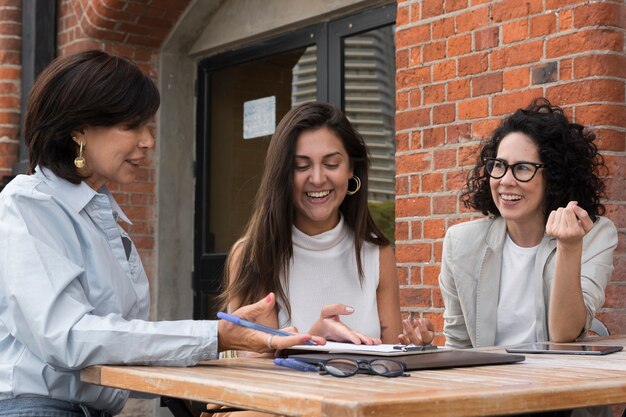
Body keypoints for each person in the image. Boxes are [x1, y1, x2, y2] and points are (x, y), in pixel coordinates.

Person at [0, 50, 321, 417]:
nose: (148, 140)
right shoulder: (28, 204)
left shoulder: (99, 216)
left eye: (147, 125)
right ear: (78, 130)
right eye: (131, 126)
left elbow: (119, 339)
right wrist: (216, 336)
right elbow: (68, 336)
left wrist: (231, 335)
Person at [439, 98, 617, 416]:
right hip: (489, 402)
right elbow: (458, 348)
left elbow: (565, 333)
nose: (506, 180)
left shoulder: (593, 234)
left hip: (562, 402)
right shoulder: (461, 243)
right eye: (499, 165)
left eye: (522, 168)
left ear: (555, 176)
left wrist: (569, 247)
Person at [221, 101, 434, 347]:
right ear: (282, 175)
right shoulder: (252, 254)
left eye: (331, 164)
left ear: (351, 169)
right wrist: (315, 339)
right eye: (301, 166)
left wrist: (417, 348)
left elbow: (392, 362)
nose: (318, 179)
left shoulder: (377, 253)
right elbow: (251, 367)